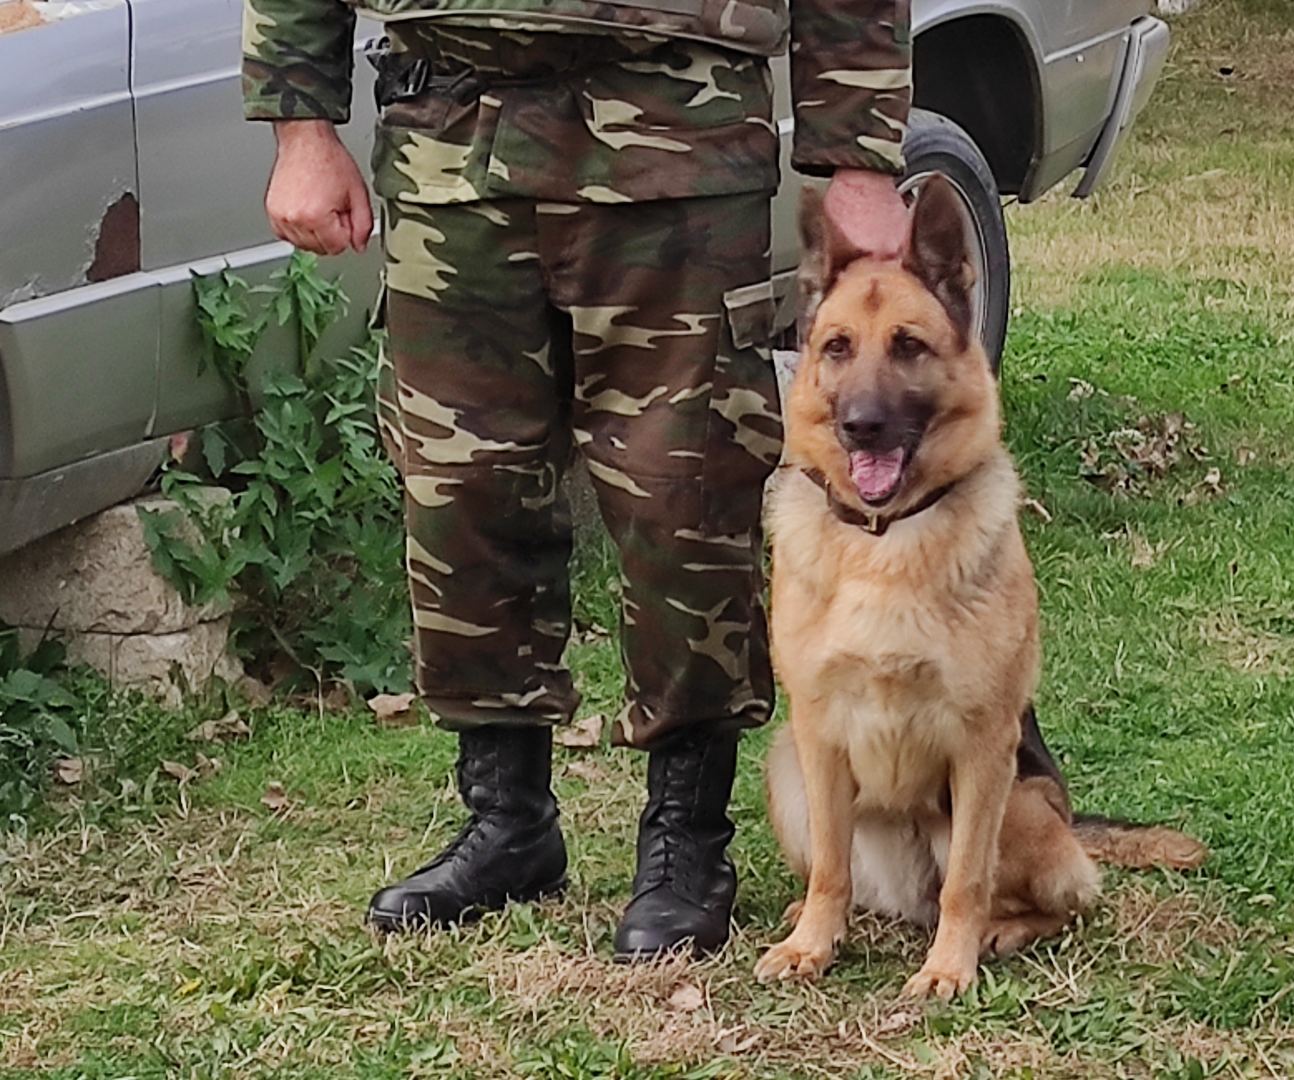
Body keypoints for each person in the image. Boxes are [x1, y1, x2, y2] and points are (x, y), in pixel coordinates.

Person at [241, 0, 912, 960]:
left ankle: (687, 838)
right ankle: (506, 819)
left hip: (676, 133)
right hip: (449, 142)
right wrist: (300, 126)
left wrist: (858, 153)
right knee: (460, 487)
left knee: (680, 491)